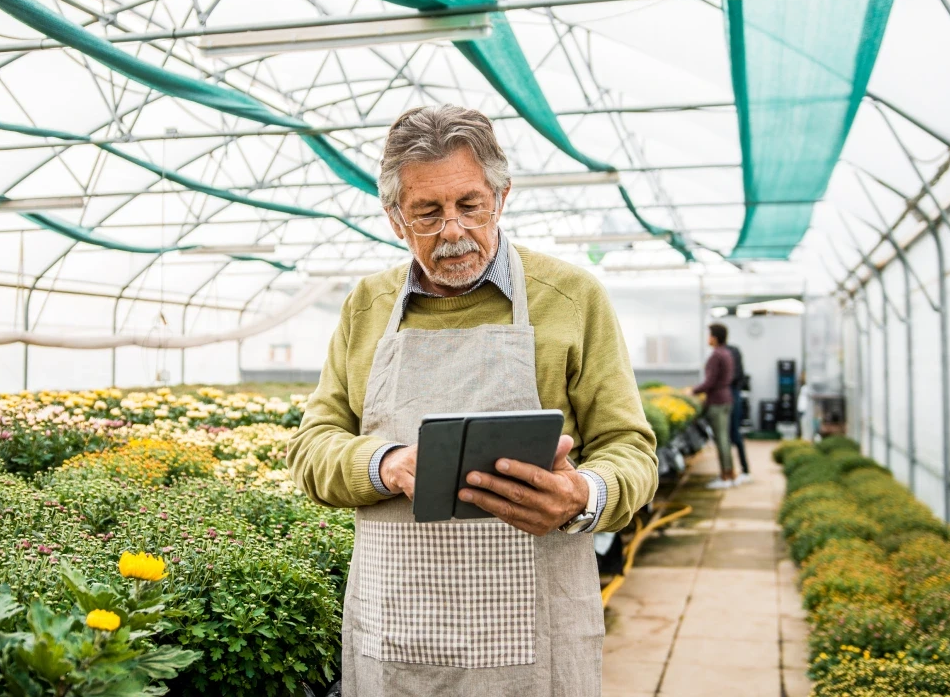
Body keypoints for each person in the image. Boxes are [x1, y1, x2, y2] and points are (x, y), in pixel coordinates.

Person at [288, 105, 659, 696]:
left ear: (501, 197)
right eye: (427, 214)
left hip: (533, 641)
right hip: (395, 633)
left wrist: (581, 496)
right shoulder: (368, 305)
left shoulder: (570, 297)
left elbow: (630, 448)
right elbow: (311, 447)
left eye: (470, 205)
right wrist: (387, 465)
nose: (454, 231)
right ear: (394, 218)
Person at [690, 323, 736, 489]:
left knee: (721, 440)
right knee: (725, 439)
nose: (708, 338)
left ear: (715, 337)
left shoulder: (716, 355)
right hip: (726, 399)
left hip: (716, 401)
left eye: (709, 335)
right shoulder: (727, 353)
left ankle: (725, 477)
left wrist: (692, 391)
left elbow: (710, 382)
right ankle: (730, 474)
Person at [725, 341, 752, 483]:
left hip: (731, 397)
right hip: (735, 395)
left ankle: (742, 471)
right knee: (734, 435)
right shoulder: (734, 351)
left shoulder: (726, 352)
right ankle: (742, 470)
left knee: (734, 435)